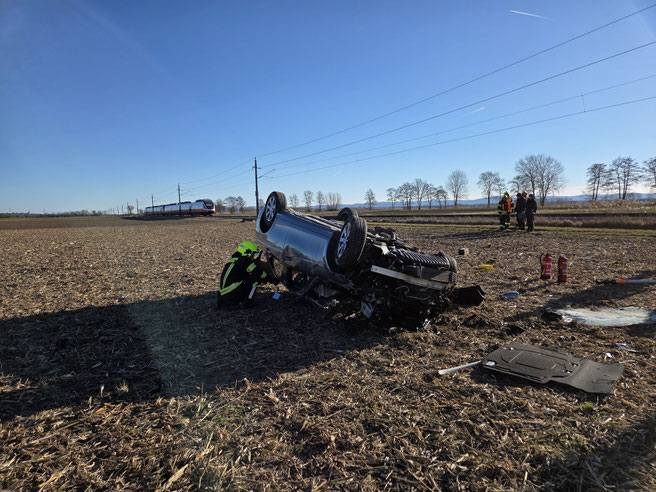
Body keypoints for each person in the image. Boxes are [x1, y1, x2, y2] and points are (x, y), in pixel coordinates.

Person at [217, 240, 269, 307]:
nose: (253, 256)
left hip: (223, 294)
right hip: (231, 295)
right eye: (253, 254)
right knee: (255, 280)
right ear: (247, 252)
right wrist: (268, 276)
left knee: (248, 277)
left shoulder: (235, 258)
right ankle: (248, 302)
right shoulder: (245, 260)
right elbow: (258, 273)